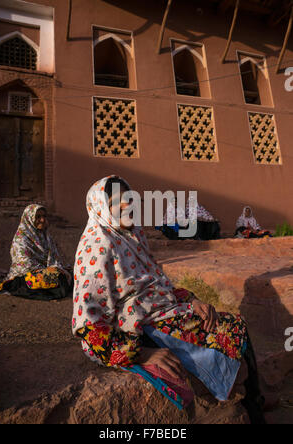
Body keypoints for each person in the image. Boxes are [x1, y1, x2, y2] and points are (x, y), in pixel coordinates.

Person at [72, 176, 266, 423]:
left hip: (159, 311)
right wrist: (142, 354)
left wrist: (192, 301)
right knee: (228, 327)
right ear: (100, 207)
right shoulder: (98, 245)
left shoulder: (132, 237)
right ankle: (253, 405)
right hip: (133, 331)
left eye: (129, 199)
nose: (126, 205)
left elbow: (156, 284)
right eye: (116, 202)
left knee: (227, 322)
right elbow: (88, 321)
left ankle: (254, 397)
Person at [0, 204, 73, 300]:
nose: (42, 220)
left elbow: (55, 258)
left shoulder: (46, 236)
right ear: (29, 219)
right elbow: (24, 264)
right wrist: (49, 270)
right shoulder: (21, 239)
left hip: (46, 270)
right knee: (52, 277)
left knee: (69, 273)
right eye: (38, 217)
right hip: (24, 275)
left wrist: (56, 268)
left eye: (44, 216)